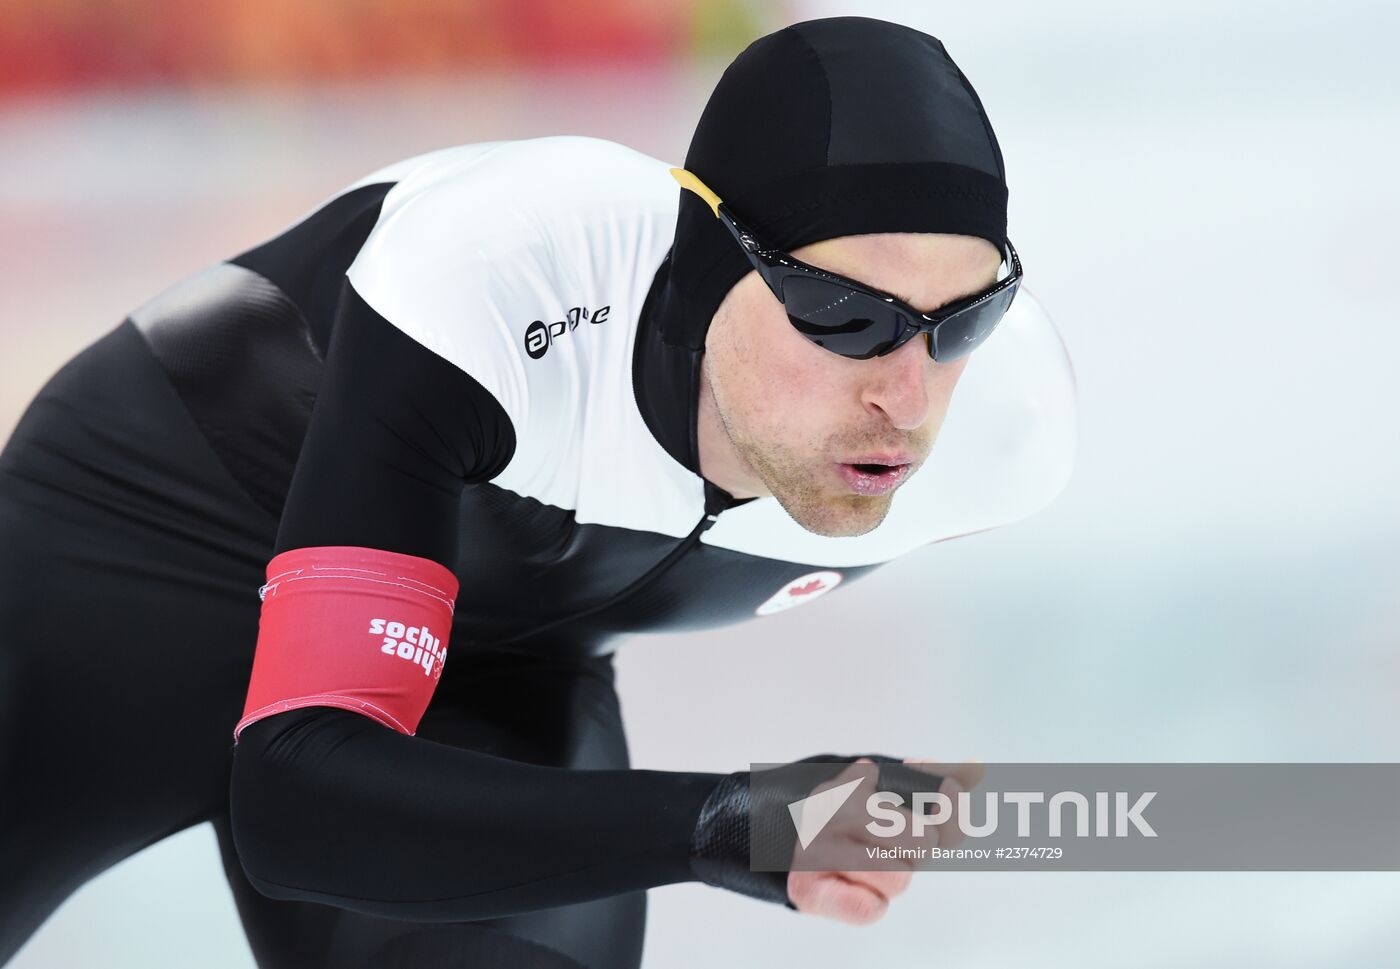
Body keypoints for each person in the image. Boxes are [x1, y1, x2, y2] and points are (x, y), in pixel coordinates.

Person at [0, 15, 1075, 969]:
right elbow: (301, 801)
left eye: (962, 322)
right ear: (707, 266)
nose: (905, 394)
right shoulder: (495, 269)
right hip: (133, 568)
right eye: (845, 316)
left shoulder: (1001, 440)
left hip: (487, 664)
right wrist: (724, 823)